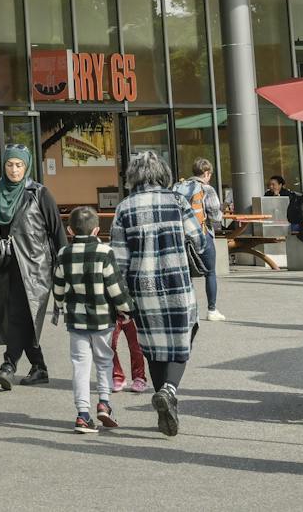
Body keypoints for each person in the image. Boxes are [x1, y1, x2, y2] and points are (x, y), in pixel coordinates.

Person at [111, 149, 202, 437]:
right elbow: (198, 240)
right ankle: (169, 390)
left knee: (151, 347)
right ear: (162, 173)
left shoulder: (124, 208)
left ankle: (165, 399)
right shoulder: (177, 201)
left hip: (142, 287)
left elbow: (119, 258)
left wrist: (119, 298)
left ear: (133, 176)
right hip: (177, 282)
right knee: (182, 337)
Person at [0, 144, 66, 389]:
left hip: (34, 267)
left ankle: (8, 365)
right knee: (16, 316)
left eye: (19, 165)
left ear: (27, 166)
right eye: (10, 164)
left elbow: (57, 231)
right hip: (1, 266)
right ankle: (39, 366)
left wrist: (66, 264)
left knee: (19, 315)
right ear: (3, 166)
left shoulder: (39, 193)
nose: (14, 170)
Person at [51, 205, 134, 434]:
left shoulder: (63, 254)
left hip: (76, 319)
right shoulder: (105, 253)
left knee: (80, 365)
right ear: (97, 230)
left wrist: (60, 306)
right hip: (102, 318)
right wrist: (126, 310)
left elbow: (57, 288)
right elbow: (115, 287)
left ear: (70, 230)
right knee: (104, 361)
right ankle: (104, 403)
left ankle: (82, 414)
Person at [171, 158, 225, 321]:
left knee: (184, 274)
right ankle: (212, 310)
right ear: (207, 173)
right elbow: (215, 217)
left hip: (179, 236)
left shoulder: (177, 187)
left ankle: (187, 310)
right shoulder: (207, 189)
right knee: (210, 272)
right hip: (201, 234)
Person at [110, 311, 150, 394]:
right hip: (111, 314)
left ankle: (139, 378)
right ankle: (117, 376)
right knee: (110, 346)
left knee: (136, 347)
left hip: (133, 313)